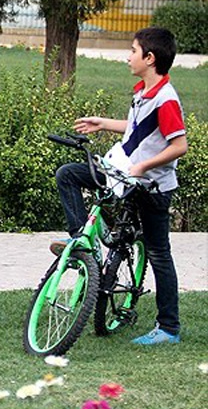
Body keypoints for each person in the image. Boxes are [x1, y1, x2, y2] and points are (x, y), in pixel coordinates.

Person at [52, 27, 187, 345]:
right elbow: (139, 128)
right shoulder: (144, 91)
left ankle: (168, 328)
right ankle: (82, 244)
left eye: (133, 50)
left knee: (159, 254)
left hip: (152, 187)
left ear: (149, 58)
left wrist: (143, 166)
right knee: (69, 174)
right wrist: (104, 123)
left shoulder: (166, 98)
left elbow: (179, 145)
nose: (128, 56)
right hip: (124, 175)